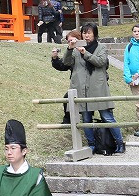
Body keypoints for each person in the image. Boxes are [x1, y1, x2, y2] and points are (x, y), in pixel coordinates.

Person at [52, 22, 123, 154]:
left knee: (107, 116)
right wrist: (69, 48)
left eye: (89, 33)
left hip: (97, 87)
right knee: (86, 118)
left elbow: (101, 62)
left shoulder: (101, 47)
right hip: (80, 87)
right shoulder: (75, 48)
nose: (86, 35)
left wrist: (86, 53)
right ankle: (92, 144)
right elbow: (66, 63)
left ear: (94, 34)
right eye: (84, 33)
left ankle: (119, 142)